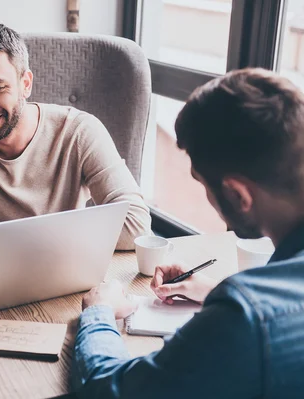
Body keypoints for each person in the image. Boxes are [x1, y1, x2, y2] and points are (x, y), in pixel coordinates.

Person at [73, 68, 304, 398]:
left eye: (202, 183)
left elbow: (111, 390)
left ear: (239, 195)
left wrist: (99, 314)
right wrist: (216, 292)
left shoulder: (244, 316)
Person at [0, 22, 151, 259]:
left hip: (67, 270)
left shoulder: (79, 131)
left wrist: (14, 237)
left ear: (25, 84)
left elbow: (136, 224)